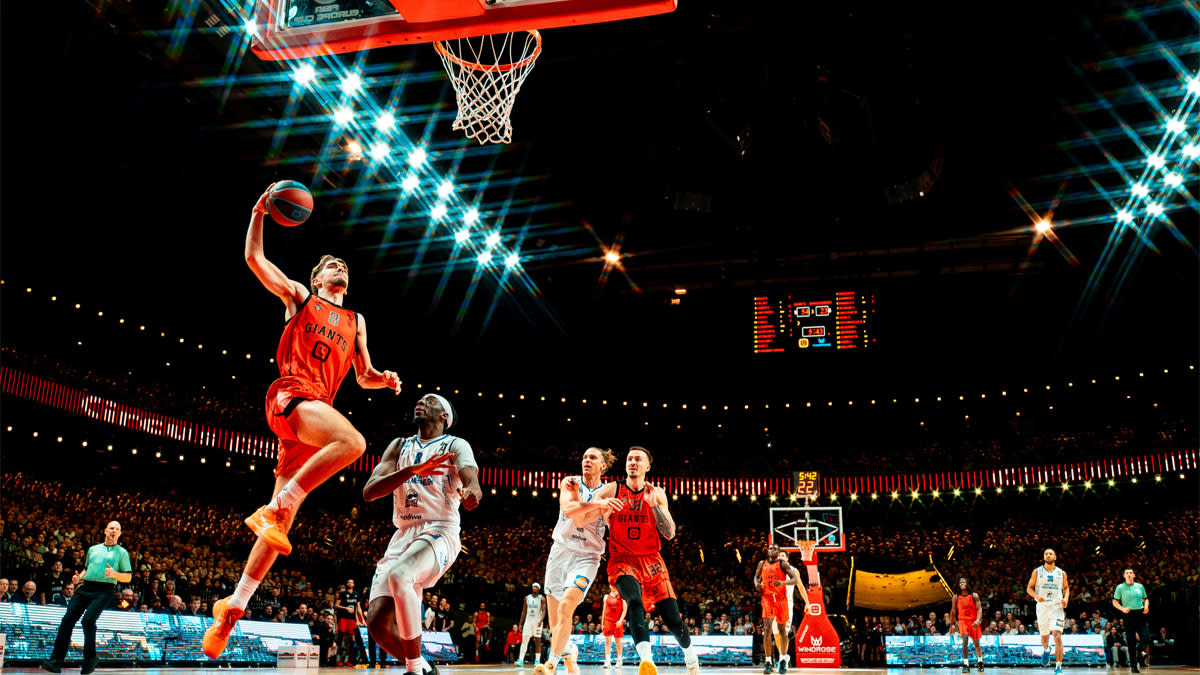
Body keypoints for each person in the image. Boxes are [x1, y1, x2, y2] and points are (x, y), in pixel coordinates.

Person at [204, 185, 402, 659]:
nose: (340, 268)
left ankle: (234, 606)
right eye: (331, 265)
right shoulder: (298, 297)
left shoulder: (356, 320)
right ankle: (277, 506)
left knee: (281, 529)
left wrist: (385, 378)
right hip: (293, 394)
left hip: (316, 419)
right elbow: (255, 259)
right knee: (353, 442)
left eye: (345, 267)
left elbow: (364, 374)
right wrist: (257, 211)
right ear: (315, 279)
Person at [362, 393, 482, 675]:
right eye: (420, 400)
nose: (421, 402)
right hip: (403, 533)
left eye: (431, 402)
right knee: (378, 625)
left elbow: (471, 478)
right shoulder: (399, 446)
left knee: (400, 575)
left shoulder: (455, 444)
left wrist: (473, 492)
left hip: (439, 529)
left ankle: (415, 669)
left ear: (444, 417)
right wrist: (412, 470)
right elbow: (370, 491)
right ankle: (426, 667)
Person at [592, 446, 699, 675]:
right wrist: (602, 506)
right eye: (629, 459)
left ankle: (691, 659)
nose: (632, 462)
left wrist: (653, 506)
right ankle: (647, 661)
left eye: (637, 459)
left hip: (652, 561)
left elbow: (670, 533)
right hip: (622, 559)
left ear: (647, 467)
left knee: (673, 620)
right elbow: (586, 510)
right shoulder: (613, 489)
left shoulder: (657, 493)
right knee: (634, 601)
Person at [536, 447, 625, 675]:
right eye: (585, 457)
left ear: (603, 466)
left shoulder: (609, 491)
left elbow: (584, 517)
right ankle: (569, 654)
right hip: (560, 552)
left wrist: (598, 508)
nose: (587, 460)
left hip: (587, 557)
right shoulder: (570, 482)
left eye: (593, 457)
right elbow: (570, 510)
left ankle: (550, 664)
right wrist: (599, 505)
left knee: (567, 606)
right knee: (556, 623)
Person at [40, 521, 133, 675]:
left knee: (88, 621)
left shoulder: (122, 552)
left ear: (120, 533)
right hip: (86, 587)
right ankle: (55, 661)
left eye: (117, 529)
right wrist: (79, 579)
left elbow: (128, 577)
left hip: (104, 589)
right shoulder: (93, 549)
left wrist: (115, 574)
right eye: (111, 527)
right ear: (105, 531)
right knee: (67, 620)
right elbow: (86, 569)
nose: (114, 530)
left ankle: (90, 658)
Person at [754, 544, 801, 674]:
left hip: (781, 600)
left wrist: (783, 582)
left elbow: (795, 580)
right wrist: (757, 584)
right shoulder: (762, 563)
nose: (772, 550)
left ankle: (782, 660)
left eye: (775, 549)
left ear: (779, 551)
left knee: (782, 631)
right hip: (767, 599)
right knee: (767, 629)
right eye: (770, 548)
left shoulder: (783, 564)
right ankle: (768, 662)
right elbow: (756, 577)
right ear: (768, 551)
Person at [1026, 548, 1069, 675]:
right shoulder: (1037, 572)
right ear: (1044, 557)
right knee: (1044, 639)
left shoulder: (1061, 573)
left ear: (1055, 557)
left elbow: (1066, 588)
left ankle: (1058, 667)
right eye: (1046, 554)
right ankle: (1046, 649)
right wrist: (1036, 596)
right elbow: (1029, 588)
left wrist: (1066, 599)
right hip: (1042, 607)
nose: (1048, 555)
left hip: (1056, 607)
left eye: (1050, 554)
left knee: (1057, 637)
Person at [1112, 567, 1151, 673]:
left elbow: (1145, 599)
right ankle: (1134, 666)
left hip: (1140, 613)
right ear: (1124, 576)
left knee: (1146, 638)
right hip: (1128, 615)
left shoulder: (1140, 586)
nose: (1129, 574)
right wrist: (1122, 609)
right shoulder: (1120, 587)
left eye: (1131, 573)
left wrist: (1146, 606)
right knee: (1131, 641)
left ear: (1134, 575)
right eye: (1127, 573)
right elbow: (1115, 602)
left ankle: (1139, 652)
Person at [949, 577, 984, 673]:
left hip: (973, 621)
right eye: (960, 582)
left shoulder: (974, 595)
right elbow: (953, 612)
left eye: (963, 582)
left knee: (976, 643)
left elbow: (980, 609)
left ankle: (980, 661)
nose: (961, 584)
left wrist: (977, 620)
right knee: (964, 641)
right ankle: (966, 664)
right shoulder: (956, 597)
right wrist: (951, 625)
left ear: (967, 583)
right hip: (962, 621)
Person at [336, 578, 366, 666]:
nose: (350, 583)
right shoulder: (343, 594)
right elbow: (336, 605)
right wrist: (346, 608)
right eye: (348, 582)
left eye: (351, 582)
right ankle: (338, 659)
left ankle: (346, 660)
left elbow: (358, 608)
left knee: (350, 641)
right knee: (341, 640)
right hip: (343, 619)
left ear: (354, 584)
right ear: (346, 584)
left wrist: (362, 619)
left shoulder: (356, 594)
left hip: (352, 620)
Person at [516, 583, 547, 666]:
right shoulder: (527, 598)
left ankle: (537, 661)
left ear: (539, 589)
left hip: (537, 622)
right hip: (528, 622)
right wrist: (520, 623)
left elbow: (544, 610)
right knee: (524, 641)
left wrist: (541, 620)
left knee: (537, 641)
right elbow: (524, 611)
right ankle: (520, 660)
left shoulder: (542, 598)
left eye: (537, 587)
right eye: (534, 586)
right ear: (532, 588)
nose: (535, 588)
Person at [601, 585, 628, 669]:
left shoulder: (622, 596)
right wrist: (602, 623)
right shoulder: (606, 597)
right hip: (608, 621)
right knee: (608, 642)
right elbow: (604, 610)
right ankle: (608, 661)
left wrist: (621, 620)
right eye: (611, 585)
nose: (612, 587)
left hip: (617, 622)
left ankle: (619, 660)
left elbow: (625, 609)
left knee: (618, 642)